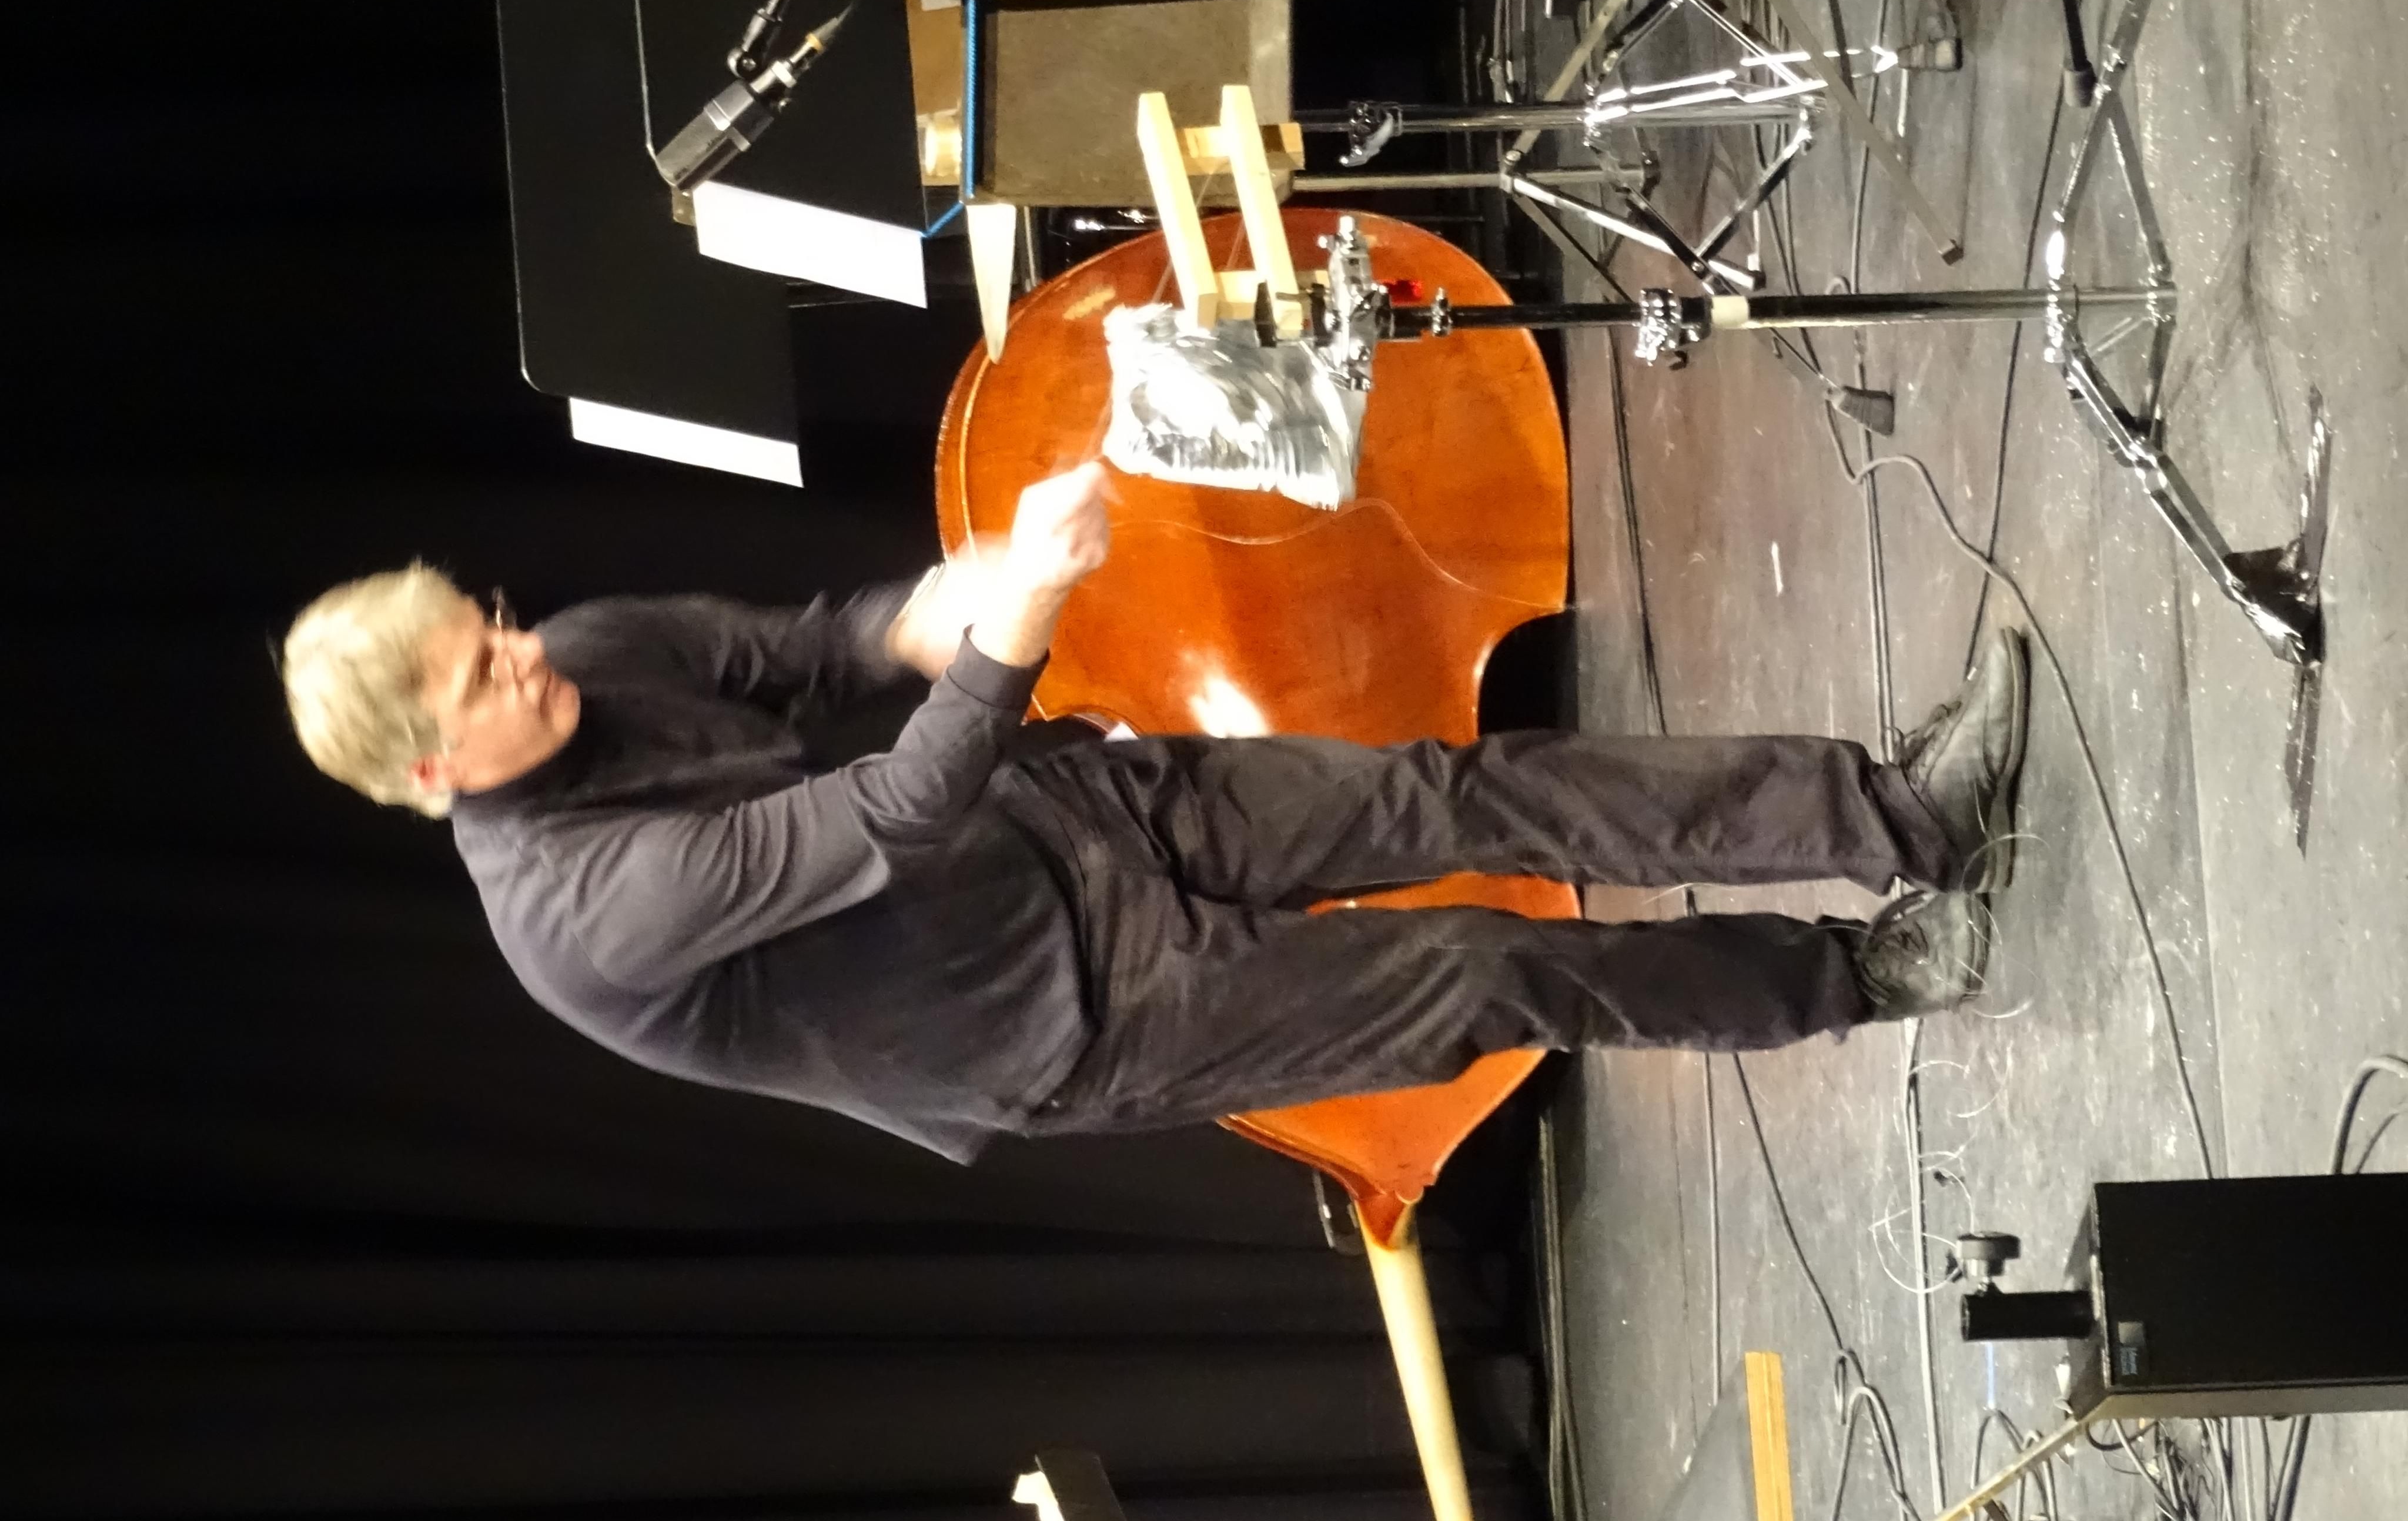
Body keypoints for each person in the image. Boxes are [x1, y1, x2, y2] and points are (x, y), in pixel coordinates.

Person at [279, 463, 2028, 1164]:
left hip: (1066, 820)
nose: (521, 653)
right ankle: (1865, 977)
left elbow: (822, 647)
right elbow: (887, 814)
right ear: (431, 772)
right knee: (1491, 971)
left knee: (1462, 788)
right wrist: (1021, 623)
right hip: (1076, 1014)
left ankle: (1896, 816)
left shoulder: (582, 651)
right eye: (479, 678)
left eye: (489, 624)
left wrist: (949, 599)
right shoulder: (581, 917)